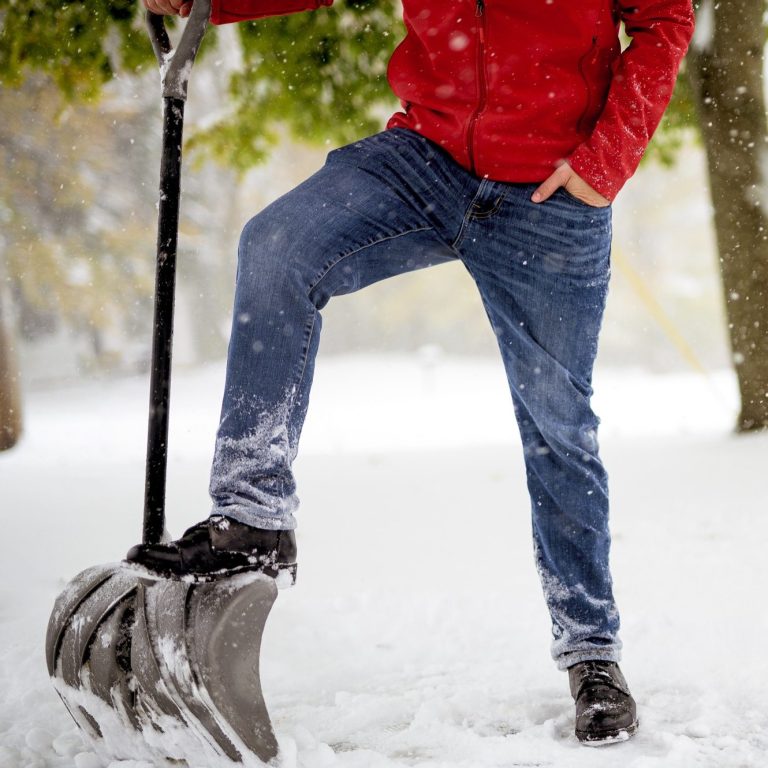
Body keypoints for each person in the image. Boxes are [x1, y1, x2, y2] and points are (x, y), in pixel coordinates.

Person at [128, 0, 695, 746]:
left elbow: (666, 17)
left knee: (558, 423)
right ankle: (255, 517)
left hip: (550, 193)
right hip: (425, 162)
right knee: (277, 248)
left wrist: (604, 162)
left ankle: (592, 653)